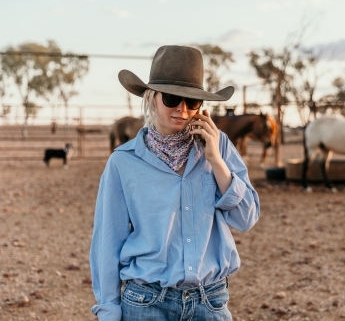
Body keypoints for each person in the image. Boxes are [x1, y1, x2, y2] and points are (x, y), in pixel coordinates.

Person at [89, 45, 260, 321]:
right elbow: (108, 242)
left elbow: (246, 218)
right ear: (151, 97)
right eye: (171, 98)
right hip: (145, 303)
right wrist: (109, 309)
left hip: (211, 302)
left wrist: (216, 161)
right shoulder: (123, 162)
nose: (182, 109)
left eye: (192, 102)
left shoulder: (221, 147)